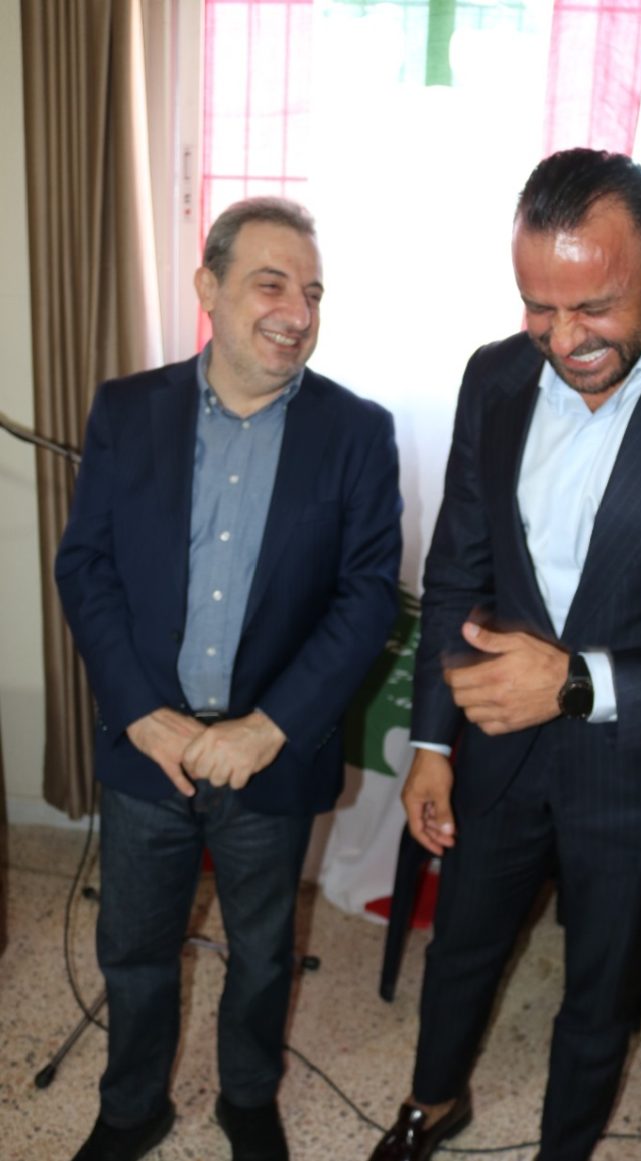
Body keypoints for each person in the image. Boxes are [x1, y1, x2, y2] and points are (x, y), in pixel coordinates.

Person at [368, 148, 641, 1161]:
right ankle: (431, 1102)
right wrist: (433, 745)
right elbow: (458, 573)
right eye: (538, 307)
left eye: (595, 306)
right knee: (460, 947)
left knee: (600, 995)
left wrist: (578, 683)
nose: (563, 340)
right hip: (498, 754)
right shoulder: (495, 375)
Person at [55, 196, 402, 1161]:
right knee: (133, 945)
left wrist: (269, 727)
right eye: (271, 283)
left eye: (313, 292)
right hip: (148, 749)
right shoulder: (128, 410)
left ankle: (248, 1096)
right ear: (208, 287)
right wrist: (141, 714)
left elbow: (368, 597)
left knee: (261, 945)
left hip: (270, 754)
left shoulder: (358, 432)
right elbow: (85, 567)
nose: (297, 311)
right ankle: (133, 1106)